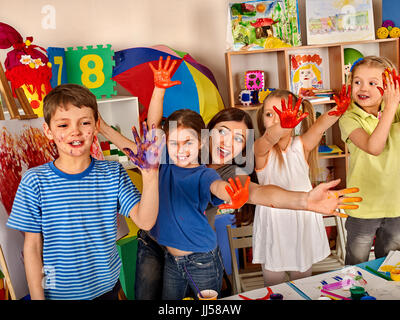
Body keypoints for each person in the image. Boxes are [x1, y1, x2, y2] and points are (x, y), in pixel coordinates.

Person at [99, 56, 361, 298]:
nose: (228, 142)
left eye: (238, 138)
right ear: (206, 134)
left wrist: (304, 200)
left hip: (193, 253)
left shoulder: (231, 170)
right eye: (222, 131)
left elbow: (258, 193)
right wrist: (105, 126)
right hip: (154, 243)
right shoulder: (180, 150)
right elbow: (149, 135)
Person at [6, 83, 161, 300]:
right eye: (63, 125)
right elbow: (32, 247)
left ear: (97, 126)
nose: (75, 131)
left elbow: (145, 222)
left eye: (85, 122)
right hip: (57, 294)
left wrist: (151, 174)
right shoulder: (35, 181)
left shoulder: (113, 172)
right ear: (48, 131)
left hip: (107, 290)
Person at [253, 87, 357, 286]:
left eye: (283, 113)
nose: (276, 119)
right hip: (273, 223)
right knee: (273, 287)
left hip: (303, 219)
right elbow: (268, 139)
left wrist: (337, 110)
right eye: (269, 114)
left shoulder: (302, 144)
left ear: (297, 117)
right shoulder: (261, 148)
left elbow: (319, 126)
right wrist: (282, 126)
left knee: (303, 284)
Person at [339, 56, 400, 265]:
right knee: (356, 266)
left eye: (373, 83)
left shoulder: (397, 111)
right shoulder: (349, 118)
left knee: (390, 266)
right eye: (357, 82)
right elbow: (374, 147)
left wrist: (392, 106)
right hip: (362, 207)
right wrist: (390, 108)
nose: (363, 88)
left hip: (396, 205)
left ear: (392, 86)